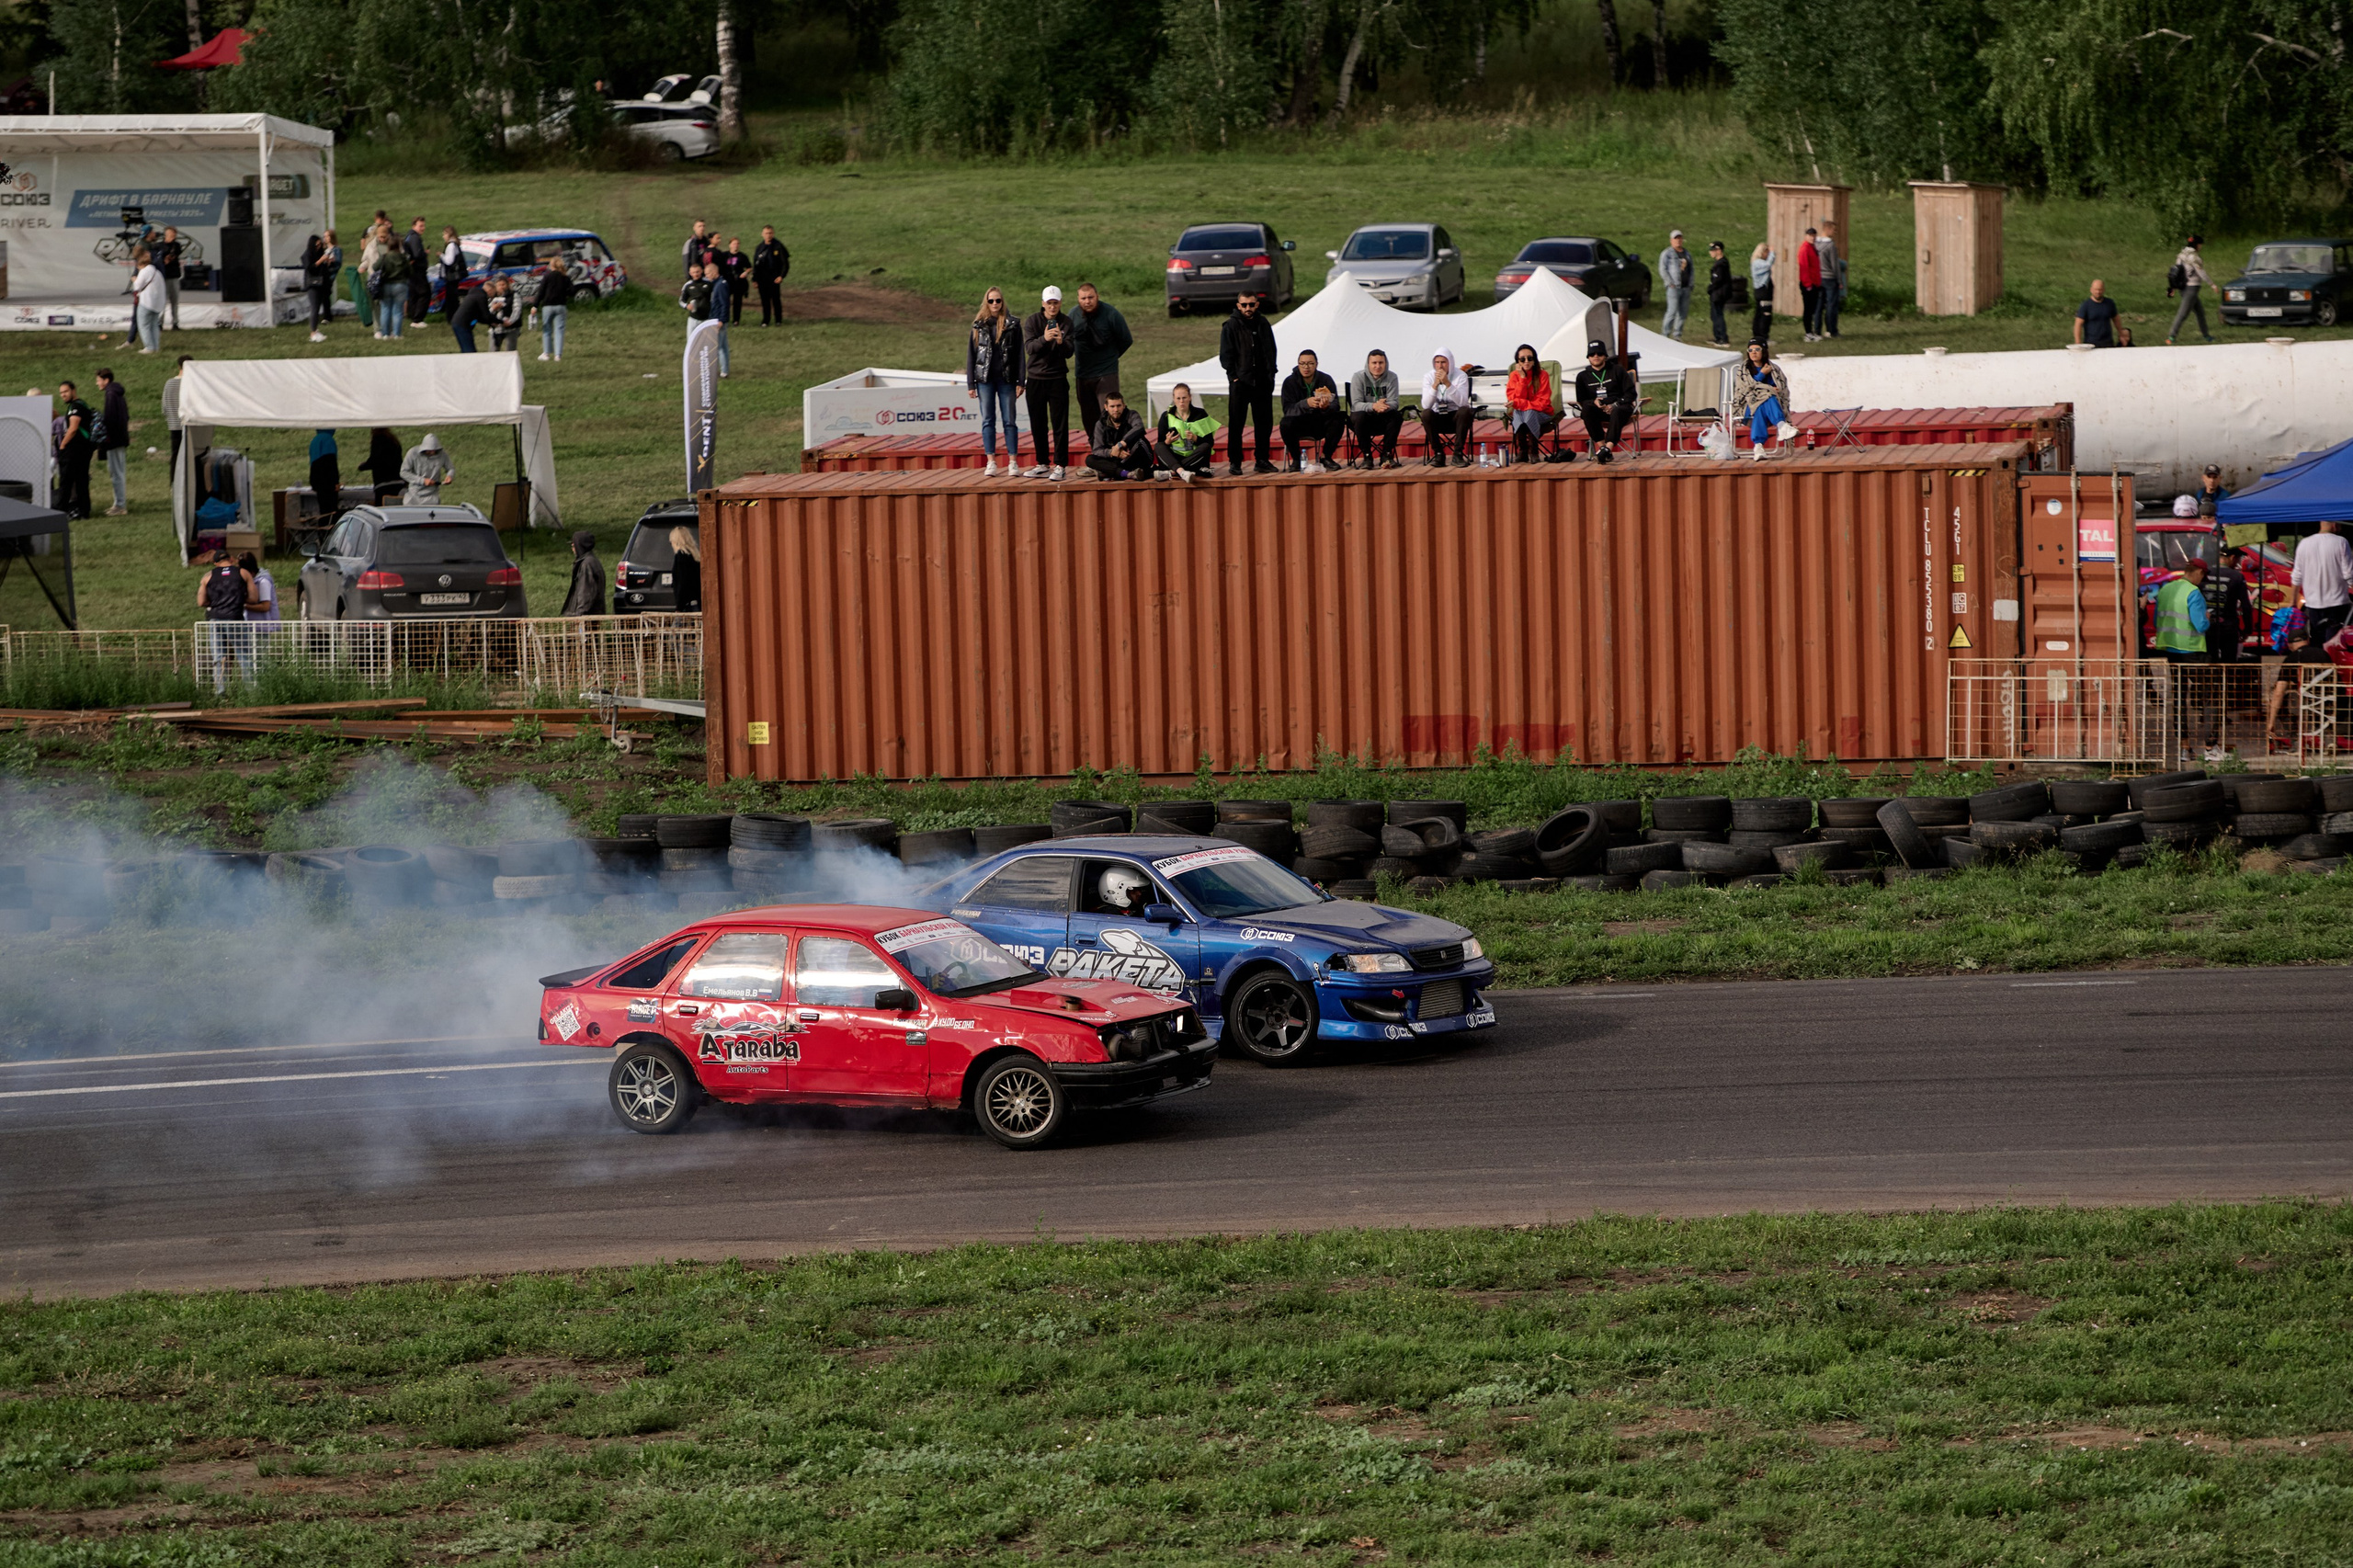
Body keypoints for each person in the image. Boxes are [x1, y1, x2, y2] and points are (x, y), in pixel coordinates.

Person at [1217, 292, 1279, 475]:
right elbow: (1225, 355)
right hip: (1240, 383)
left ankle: (1262, 460)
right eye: (1244, 305)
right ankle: (1235, 462)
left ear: (1257, 304)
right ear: (1238, 305)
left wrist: (1271, 374)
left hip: (1262, 382)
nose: (1248, 308)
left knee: (1264, 423)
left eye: (1251, 304)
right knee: (1236, 424)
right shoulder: (1231, 325)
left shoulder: (1263, 323)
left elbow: (1271, 350)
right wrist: (1233, 377)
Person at [966, 287, 1024, 476]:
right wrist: (971, 384)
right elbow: (971, 355)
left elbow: (1020, 355)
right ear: (986, 302)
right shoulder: (978, 325)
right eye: (991, 301)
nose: (995, 304)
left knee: (1010, 421)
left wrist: (1021, 381)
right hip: (985, 380)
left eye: (998, 300)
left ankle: (1013, 461)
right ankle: (991, 461)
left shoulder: (1013, 324)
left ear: (1002, 302)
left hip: (1007, 378)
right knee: (988, 420)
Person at [1019, 286, 1075, 480]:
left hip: (1057, 379)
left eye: (1056, 303)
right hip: (1036, 379)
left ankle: (1060, 465)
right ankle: (1042, 463)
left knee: (1060, 424)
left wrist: (1060, 341)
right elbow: (1029, 348)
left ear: (1060, 303)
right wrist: (1044, 338)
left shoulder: (1066, 322)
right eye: (1049, 303)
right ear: (1043, 303)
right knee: (1038, 424)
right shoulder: (1033, 321)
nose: (1052, 307)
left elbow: (1069, 352)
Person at [1073, 282, 1134, 437]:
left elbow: (1126, 339)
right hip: (1083, 374)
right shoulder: (1073, 316)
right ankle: (1095, 446)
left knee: (1111, 414)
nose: (1087, 301)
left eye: (1091, 297)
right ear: (1078, 299)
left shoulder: (1111, 314)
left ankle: (1113, 445)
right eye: (1083, 298)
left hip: (1106, 374)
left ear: (1097, 297)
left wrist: (1111, 357)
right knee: (1088, 417)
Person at [2291, 517, 2353, 649]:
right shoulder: (2341, 542)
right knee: (2334, 645)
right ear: (2334, 524)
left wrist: (2292, 602)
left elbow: (2296, 576)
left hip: (2313, 605)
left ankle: (2319, 662)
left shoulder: (2304, 543)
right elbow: (2348, 574)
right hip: (2337, 604)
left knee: (2316, 643)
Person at [196, 548, 252, 691]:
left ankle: (221, 691)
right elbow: (254, 598)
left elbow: (201, 602)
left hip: (215, 619)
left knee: (219, 656)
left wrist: (214, 603)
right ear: (231, 560)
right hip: (235, 618)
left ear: (215, 563)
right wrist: (238, 600)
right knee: (243, 655)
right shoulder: (243, 573)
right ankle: (250, 690)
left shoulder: (207, 577)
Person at [1279, 349, 1344, 472]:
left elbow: (1336, 405)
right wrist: (1306, 403)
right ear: (1298, 364)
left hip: (1320, 421)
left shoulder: (1326, 379)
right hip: (1300, 422)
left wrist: (1326, 407)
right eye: (1302, 364)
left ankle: (1326, 457)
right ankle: (1297, 459)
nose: (1306, 367)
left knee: (1339, 418)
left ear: (1316, 364)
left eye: (1310, 363)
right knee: (1285, 423)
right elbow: (1288, 410)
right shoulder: (1289, 382)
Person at [1571, 341, 1637, 459]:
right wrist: (1594, 402)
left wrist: (1615, 404)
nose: (1596, 356)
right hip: (1599, 410)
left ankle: (1608, 448)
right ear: (1588, 357)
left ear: (1605, 356)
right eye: (1592, 354)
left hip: (1620, 408)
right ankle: (1602, 447)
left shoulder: (1617, 370)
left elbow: (1631, 393)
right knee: (1586, 410)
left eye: (1599, 353)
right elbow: (1582, 400)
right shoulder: (1582, 376)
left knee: (1618, 411)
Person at [1729, 339, 1792, 459]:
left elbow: (1782, 389)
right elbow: (1744, 390)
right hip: (1747, 406)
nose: (1753, 352)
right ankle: (1781, 426)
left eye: (1757, 349)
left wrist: (1772, 390)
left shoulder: (1774, 370)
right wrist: (1761, 375)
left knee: (1762, 402)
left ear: (1764, 351)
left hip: (1768, 408)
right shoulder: (1743, 370)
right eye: (1750, 350)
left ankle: (1758, 446)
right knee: (1766, 396)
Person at [1347, 349, 1403, 469]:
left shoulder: (1392, 377)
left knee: (1397, 416)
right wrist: (1373, 406)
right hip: (1364, 420)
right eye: (1374, 363)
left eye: (1381, 363)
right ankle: (1367, 456)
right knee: (1358, 415)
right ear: (1368, 364)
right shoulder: (1358, 377)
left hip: (1383, 416)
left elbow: (1394, 403)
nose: (1378, 366)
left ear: (1386, 364)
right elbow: (1356, 405)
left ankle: (1386, 455)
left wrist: (1383, 406)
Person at [1418, 347, 1472, 467]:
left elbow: (1463, 402)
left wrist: (1448, 383)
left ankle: (1457, 454)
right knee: (1426, 413)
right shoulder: (1428, 377)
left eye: (1443, 362)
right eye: (1437, 362)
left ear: (1450, 363)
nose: (1440, 366)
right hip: (1437, 416)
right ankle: (1438, 454)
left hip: (1455, 417)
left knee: (1465, 411)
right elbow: (1426, 405)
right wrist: (1435, 385)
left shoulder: (1461, 376)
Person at [1154, 382, 1220, 480]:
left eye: (1184, 398)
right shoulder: (1166, 416)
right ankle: (1182, 472)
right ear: (1173, 399)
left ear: (1190, 397)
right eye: (1178, 398)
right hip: (1174, 457)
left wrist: (1195, 438)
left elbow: (1210, 442)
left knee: (1206, 447)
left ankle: (1174, 471)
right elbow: (1161, 442)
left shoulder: (1201, 414)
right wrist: (1167, 441)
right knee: (1158, 446)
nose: (1181, 401)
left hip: (1193, 459)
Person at [1084, 392, 1155, 482]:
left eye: (1119, 406)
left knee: (1139, 440)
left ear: (1124, 406)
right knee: (1090, 459)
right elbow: (1097, 450)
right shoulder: (1101, 424)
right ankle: (1127, 474)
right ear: (1106, 407)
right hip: (1118, 460)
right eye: (1112, 406)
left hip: (1137, 456)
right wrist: (1112, 453)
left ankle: (1109, 473)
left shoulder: (1132, 415)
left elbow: (1140, 428)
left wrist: (1121, 444)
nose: (1116, 409)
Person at [1505, 344, 1553, 462]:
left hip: (1543, 413)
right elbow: (1514, 397)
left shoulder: (1543, 375)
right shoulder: (1514, 376)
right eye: (1522, 359)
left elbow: (1542, 403)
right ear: (1518, 362)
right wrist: (1522, 378)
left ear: (1534, 360)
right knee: (1520, 412)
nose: (1526, 361)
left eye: (1530, 358)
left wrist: (1520, 404)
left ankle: (1529, 451)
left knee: (1527, 411)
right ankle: (1527, 451)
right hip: (1523, 413)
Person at [53, 380, 94, 520]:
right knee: (82, 481)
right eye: (61, 393)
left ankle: (61, 512)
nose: (63, 395)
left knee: (66, 481)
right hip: (84, 450)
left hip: (74, 451)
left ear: (73, 391)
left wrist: (62, 445)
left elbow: (73, 428)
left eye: (66, 391)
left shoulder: (75, 407)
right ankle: (84, 511)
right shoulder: (83, 405)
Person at [95, 368, 131, 516]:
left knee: (116, 473)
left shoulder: (111, 395)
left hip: (114, 440)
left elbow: (110, 420)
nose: (97, 383)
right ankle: (118, 503)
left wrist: (105, 439)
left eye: (98, 380)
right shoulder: (117, 393)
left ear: (106, 380)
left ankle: (120, 506)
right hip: (120, 438)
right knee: (118, 472)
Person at [2167, 235, 2214, 345]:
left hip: (2184, 287)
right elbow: (2200, 271)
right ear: (2197, 245)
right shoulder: (2193, 257)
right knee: (2183, 313)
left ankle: (2206, 335)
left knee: (2200, 312)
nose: (2201, 247)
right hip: (2191, 289)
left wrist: (2173, 287)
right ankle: (2171, 336)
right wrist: (2211, 284)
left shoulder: (2181, 255)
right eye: (2200, 245)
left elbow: (2176, 273)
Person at [1657, 230, 1694, 342]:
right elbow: (1662, 269)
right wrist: (1670, 283)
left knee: (1683, 312)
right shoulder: (1667, 253)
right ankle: (1665, 334)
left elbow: (1691, 269)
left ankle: (1677, 335)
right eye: (1675, 238)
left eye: (1679, 238)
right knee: (1672, 311)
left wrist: (1691, 283)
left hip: (1686, 287)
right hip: (1674, 287)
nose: (1678, 240)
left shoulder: (1687, 253)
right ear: (1671, 240)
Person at [305, 230, 341, 341]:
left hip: (322, 283)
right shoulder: (307, 255)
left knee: (318, 306)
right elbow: (310, 268)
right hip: (312, 284)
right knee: (314, 308)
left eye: (320, 244)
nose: (319, 246)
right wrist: (322, 260)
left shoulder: (321, 253)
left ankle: (315, 330)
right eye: (317, 245)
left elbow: (325, 268)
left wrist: (328, 262)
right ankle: (313, 333)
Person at [371, 238, 410, 339]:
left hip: (386, 285)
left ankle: (385, 334)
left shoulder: (385, 257)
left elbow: (375, 267)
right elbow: (410, 272)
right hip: (400, 285)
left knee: (385, 309)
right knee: (398, 310)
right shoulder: (403, 257)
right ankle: (397, 334)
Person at [561, 529, 607, 616]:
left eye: (574, 543)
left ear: (580, 545)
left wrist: (580, 615)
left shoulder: (587, 565)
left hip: (587, 617)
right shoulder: (591, 561)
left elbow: (585, 593)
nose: (572, 546)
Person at [535, 259, 573, 362]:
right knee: (559, 330)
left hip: (548, 306)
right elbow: (572, 291)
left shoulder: (547, 276)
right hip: (561, 306)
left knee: (547, 329)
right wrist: (564, 294)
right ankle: (558, 356)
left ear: (552, 265)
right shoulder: (565, 277)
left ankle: (546, 353)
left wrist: (535, 305)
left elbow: (541, 291)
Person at [752, 225, 790, 325]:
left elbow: (785, 264)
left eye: (770, 233)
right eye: (766, 233)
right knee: (765, 301)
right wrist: (754, 279)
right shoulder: (759, 248)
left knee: (776, 300)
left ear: (773, 234)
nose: (768, 235)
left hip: (774, 278)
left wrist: (781, 276)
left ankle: (778, 320)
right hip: (762, 278)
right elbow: (755, 265)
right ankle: (766, 320)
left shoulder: (778, 246)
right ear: (762, 234)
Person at [129, 248, 165, 354]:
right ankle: (155, 347)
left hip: (146, 302)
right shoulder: (157, 272)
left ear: (140, 264)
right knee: (154, 325)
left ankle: (149, 347)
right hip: (157, 303)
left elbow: (137, 286)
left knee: (143, 325)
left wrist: (134, 280)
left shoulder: (144, 271)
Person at [400, 432, 453, 504]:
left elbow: (450, 468)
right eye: (429, 450)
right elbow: (403, 472)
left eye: (434, 450)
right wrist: (422, 481)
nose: (432, 452)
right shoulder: (413, 453)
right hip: (414, 494)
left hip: (432, 495)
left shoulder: (442, 455)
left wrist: (449, 476)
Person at [359, 426, 404, 504]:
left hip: (383, 484)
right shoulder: (394, 440)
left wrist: (362, 466)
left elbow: (375, 460)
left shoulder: (378, 440)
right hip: (398, 481)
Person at [447, 278, 491, 353]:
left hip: (457, 323)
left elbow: (478, 317)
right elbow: (486, 316)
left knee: (465, 348)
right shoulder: (481, 296)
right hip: (462, 324)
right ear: (490, 290)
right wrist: (499, 322)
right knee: (469, 350)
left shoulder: (474, 294)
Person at [1816, 223, 1845, 339]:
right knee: (1831, 305)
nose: (1835, 232)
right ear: (1827, 230)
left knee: (1818, 306)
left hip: (1818, 277)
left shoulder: (1815, 244)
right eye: (1833, 230)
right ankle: (1831, 330)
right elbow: (1835, 264)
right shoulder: (1830, 245)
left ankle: (1817, 331)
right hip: (1829, 277)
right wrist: (1840, 280)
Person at [153, 225, 184, 331]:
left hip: (174, 275)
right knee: (162, 300)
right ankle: (159, 323)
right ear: (166, 235)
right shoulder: (158, 246)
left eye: (174, 235)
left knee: (175, 300)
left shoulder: (176, 245)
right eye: (171, 234)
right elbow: (158, 258)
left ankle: (175, 322)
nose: (173, 236)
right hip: (163, 276)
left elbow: (175, 254)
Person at [1704, 240, 1734, 348]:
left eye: (1713, 250)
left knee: (1718, 316)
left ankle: (1723, 338)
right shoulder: (1720, 263)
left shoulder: (1721, 264)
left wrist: (1710, 288)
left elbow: (1717, 280)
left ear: (1719, 250)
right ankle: (1717, 337)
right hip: (1717, 293)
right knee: (1714, 315)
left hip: (1719, 293)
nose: (1710, 252)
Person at [162, 356, 189, 472]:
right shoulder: (191, 384)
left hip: (174, 425)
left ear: (179, 366)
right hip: (189, 424)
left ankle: (174, 480)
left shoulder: (169, 383)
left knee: (175, 455)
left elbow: (164, 407)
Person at [1797, 226, 1824, 342]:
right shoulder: (1805, 249)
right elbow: (1804, 268)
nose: (1812, 238)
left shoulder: (1812, 248)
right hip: (1808, 284)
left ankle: (1811, 332)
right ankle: (1808, 333)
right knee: (1808, 309)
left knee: (1812, 309)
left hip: (1815, 282)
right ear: (1806, 236)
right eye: (1810, 235)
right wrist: (1808, 284)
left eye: (1814, 236)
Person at [2075, 279, 2120, 348]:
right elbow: (2078, 324)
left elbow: (2116, 319)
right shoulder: (2085, 305)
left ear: (2104, 290)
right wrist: (2078, 342)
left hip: (2107, 343)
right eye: (2096, 290)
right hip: (2091, 344)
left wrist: (2121, 332)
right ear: (2091, 290)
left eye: (2100, 290)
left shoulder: (2109, 303)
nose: (2098, 292)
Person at [402, 218, 431, 324]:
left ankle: (412, 316)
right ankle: (418, 319)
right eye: (420, 226)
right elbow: (417, 254)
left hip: (411, 271)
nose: (423, 228)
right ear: (414, 226)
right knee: (424, 294)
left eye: (424, 225)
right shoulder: (415, 237)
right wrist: (424, 253)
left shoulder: (409, 236)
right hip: (418, 271)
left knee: (413, 294)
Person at [706, 265, 733, 377]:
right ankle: (724, 370)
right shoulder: (717, 284)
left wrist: (721, 320)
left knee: (717, 347)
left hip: (718, 320)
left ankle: (716, 370)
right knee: (723, 347)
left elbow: (724, 304)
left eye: (708, 273)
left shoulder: (721, 285)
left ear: (714, 272)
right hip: (716, 319)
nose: (707, 276)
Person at [668, 526, 702, 612]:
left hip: (686, 605)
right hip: (697, 602)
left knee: (679, 622)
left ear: (676, 541)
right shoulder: (695, 556)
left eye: (671, 541)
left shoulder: (680, 556)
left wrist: (679, 607)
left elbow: (682, 582)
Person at [717, 238, 751, 324]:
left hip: (738, 282)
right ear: (730, 245)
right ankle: (724, 318)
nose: (736, 245)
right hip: (726, 281)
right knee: (725, 301)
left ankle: (736, 320)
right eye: (734, 244)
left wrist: (745, 273)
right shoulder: (724, 255)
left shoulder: (742, 256)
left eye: (737, 244)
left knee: (737, 302)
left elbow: (749, 267)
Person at [308, 428, 340, 518]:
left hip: (316, 478)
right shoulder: (328, 440)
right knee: (331, 511)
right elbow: (330, 462)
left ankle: (323, 525)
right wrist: (335, 482)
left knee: (323, 509)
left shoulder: (314, 440)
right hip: (327, 481)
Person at [485, 277, 521, 352]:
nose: (501, 287)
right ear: (495, 286)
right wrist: (494, 308)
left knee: (510, 351)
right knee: (493, 351)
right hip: (495, 328)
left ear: (507, 285)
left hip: (511, 328)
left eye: (503, 284)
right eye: (499, 285)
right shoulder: (492, 296)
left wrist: (510, 321)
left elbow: (517, 310)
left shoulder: (513, 294)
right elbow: (486, 312)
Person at [1749, 243, 1775, 345]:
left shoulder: (1758, 262)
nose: (1768, 255)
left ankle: (1758, 334)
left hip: (1762, 291)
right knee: (1765, 313)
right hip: (1763, 291)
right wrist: (1772, 253)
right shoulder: (1758, 262)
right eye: (1767, 252)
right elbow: (1768, 265)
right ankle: (1763, 336)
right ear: (1762, 252)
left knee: (1759, 313)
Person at [438, 227, 466, 319]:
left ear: (449, 234)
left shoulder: (451, 246)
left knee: (451, 298)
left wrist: (441, 255)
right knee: (453, 297)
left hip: (451, 276)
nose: (443, 236)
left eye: (444, 234)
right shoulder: (455, 244)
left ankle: (451, 317)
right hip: (454, 276)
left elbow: (449, 261)